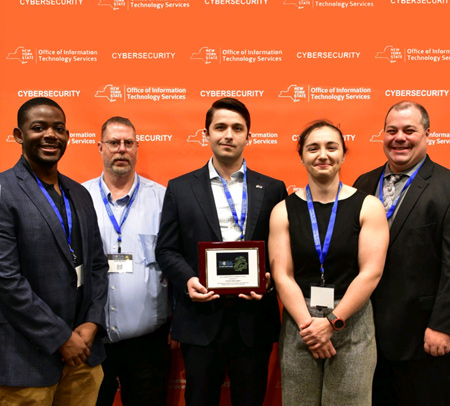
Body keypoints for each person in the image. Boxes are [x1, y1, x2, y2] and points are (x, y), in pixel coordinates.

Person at [155, 97, 287, 406]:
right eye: (221, 127)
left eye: (237, 128)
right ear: (206, 135)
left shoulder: (272, 188)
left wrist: (269, 281)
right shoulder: (180, 188)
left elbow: (282, 250)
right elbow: (166, 248)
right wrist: (187, 281)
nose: (229, 135)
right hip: (201, 319)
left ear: (248, 137)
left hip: (253, 320)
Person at [269, 120, 389, 405]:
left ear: (343, 154)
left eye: (331, 147)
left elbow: (371, 272)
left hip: (353, 320)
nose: (322, 154)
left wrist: (332, 322)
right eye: (313, 148)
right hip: (301, 323)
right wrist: (309, 327)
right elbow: (282, 274)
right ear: (301, 156)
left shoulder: (369, 206)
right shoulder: (283, 210)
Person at [0, 97, 109, 405]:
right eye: (39, 127)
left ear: (67, 136)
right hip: (27, 361)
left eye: (58, 128)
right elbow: (7, 281)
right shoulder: (4, 192)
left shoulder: (80, 193)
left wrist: (92, 322)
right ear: (19, 135)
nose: (51, 135)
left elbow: (98, 267)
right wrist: (61, 338)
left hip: (84, 357)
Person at [354, 101, 450, 405]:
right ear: (382, 134)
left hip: (422, 337)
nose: (399, 137)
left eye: (409, 130)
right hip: (364, 334)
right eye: (391, 130)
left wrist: (442, 326)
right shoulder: (363, 184)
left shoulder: (447, 186)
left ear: (427, 135)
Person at [83, 117, 170, 406]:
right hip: (92, 341)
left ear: (136, 147)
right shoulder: (78, 199)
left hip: (149, 342)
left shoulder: (162, 199)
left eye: (128, 143)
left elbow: (175, 261)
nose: (121, 149)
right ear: (100, 147)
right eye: (113, 143)